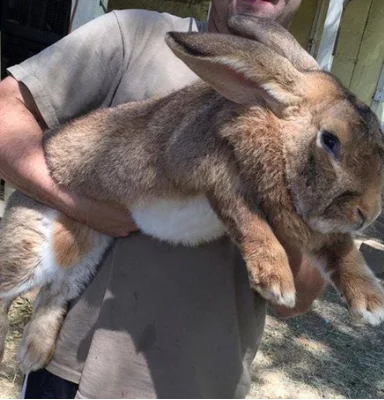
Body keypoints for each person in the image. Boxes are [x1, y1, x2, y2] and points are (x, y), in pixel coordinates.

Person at [0, 0, 326, 399]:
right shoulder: (135, 36)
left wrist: (282, 203)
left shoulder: (321, 110)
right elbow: (5, 111)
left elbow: (298, 298)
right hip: (72, 373)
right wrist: (81, 206)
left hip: (204, 385)